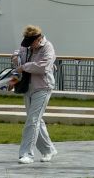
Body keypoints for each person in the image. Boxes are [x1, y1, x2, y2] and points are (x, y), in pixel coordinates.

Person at [13, 25, 57, 164]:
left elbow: (43, 66)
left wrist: (24, 67)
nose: (29, 46)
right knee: (36, 120)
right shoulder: (26, 46)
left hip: (43, 87)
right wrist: (15, 57)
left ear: (38, 39)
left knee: (33, 120)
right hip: (28, 87)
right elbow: (19, 53)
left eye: (31, 42)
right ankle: (48, 150)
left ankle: (26, 154)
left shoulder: (48, 47)